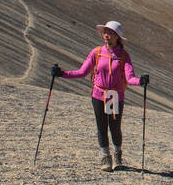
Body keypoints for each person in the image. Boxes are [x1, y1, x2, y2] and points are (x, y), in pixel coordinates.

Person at [52, 21, 149, 171]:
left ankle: (117, 154)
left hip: (114, 96)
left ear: (117, 36)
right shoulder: (97, 52)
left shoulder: (123, 56)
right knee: (101, 127)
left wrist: (140, 81)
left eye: (109, 33)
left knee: (114, 128)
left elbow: (130, 78)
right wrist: (62, 73)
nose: (106, 35)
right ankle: (106, 157)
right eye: (105, 32)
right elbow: (82, 72)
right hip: (98, 95)